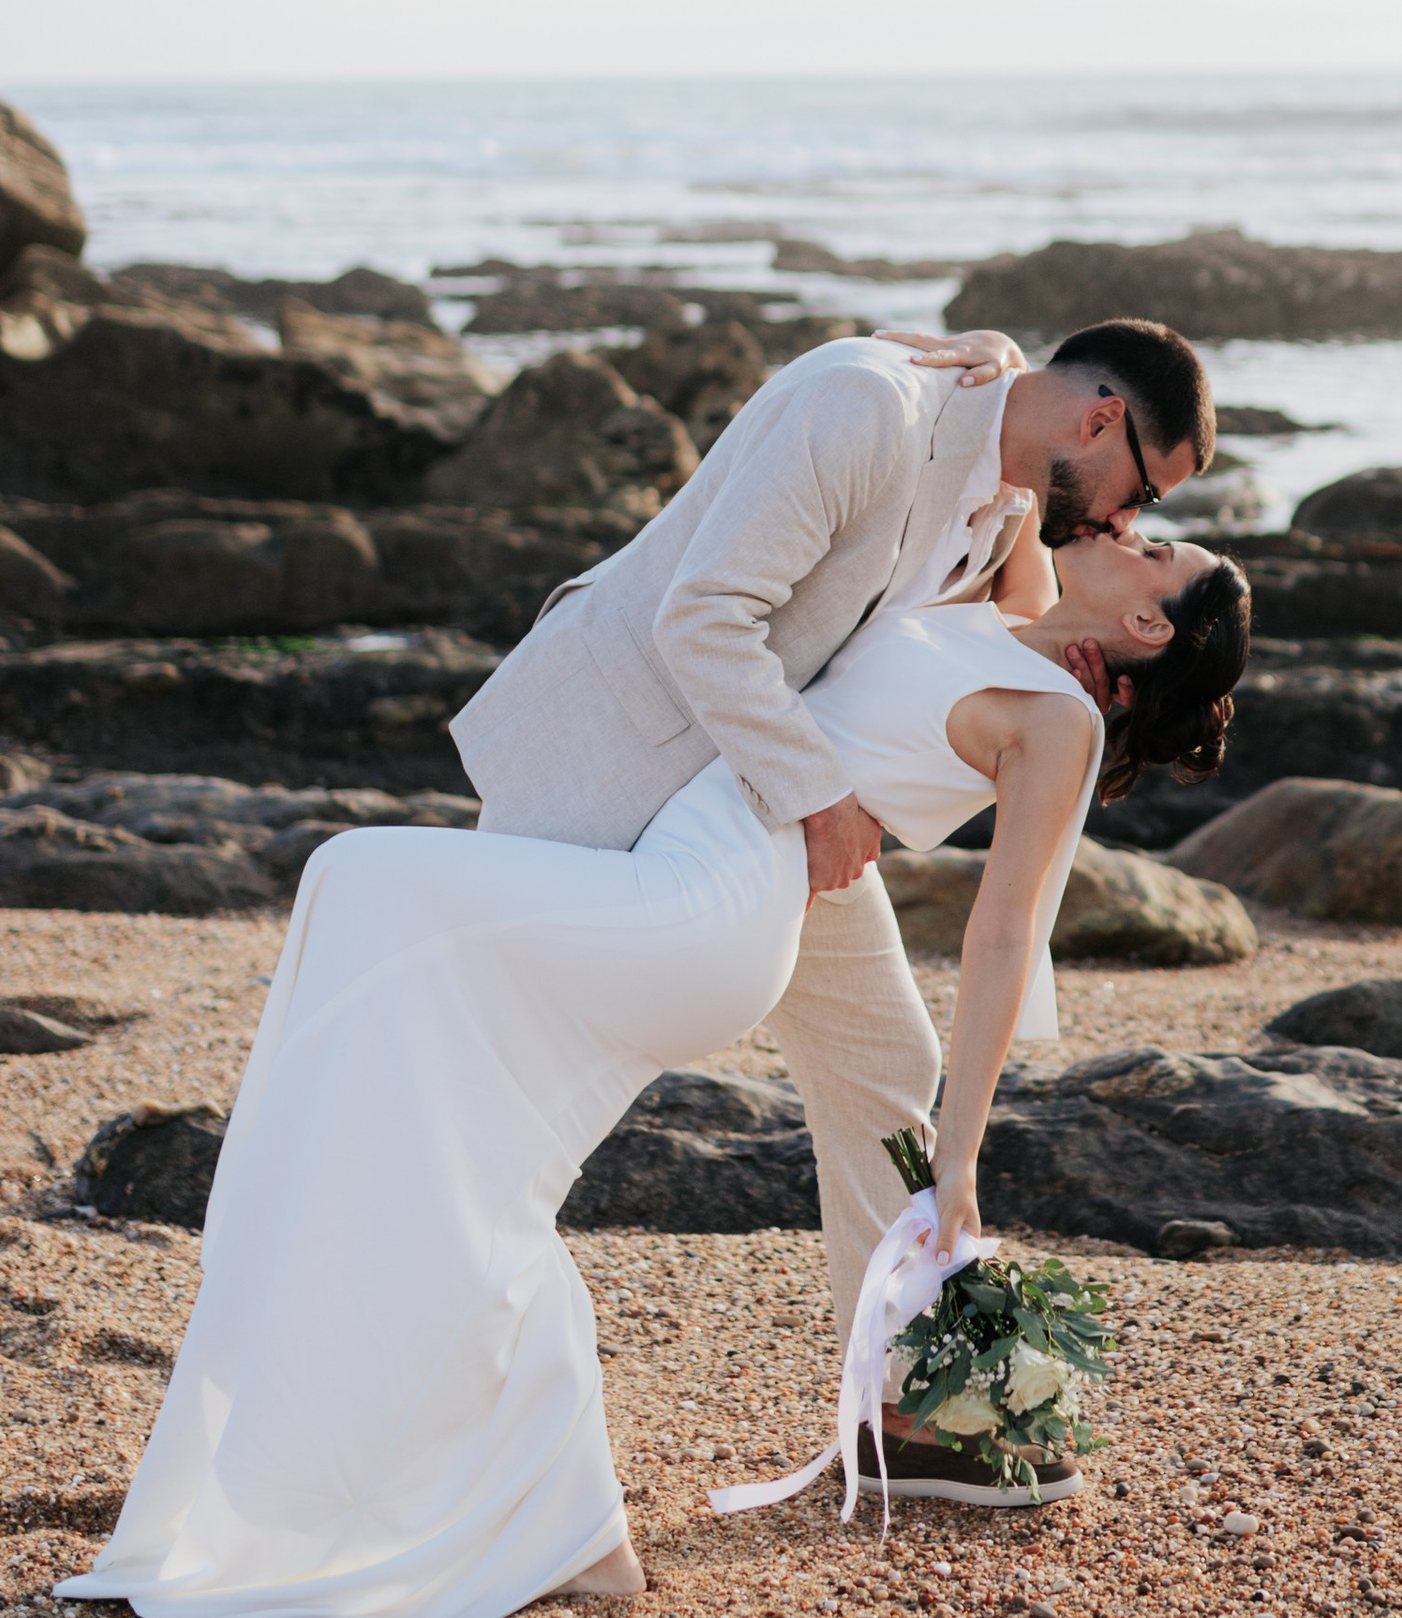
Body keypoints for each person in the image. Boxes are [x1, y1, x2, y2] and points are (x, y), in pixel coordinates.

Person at [56, 515, 1250, 1618]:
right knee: (848, 1067)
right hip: (728, 838)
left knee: (359, 878)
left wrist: (962, 1157)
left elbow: (1002, 941)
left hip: (719, 888)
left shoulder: (1060, 726)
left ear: (1148, 629)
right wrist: (974, 354)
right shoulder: (1021, 604)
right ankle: (898, 1408)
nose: (1129, 532)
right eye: (1147, 517)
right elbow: (1020, 467)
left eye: (1158, 551)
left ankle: (631, 1472)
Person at [445, 316, 1216, 1351]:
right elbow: (705, 617)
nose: (1130, 519)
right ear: (1103, 418)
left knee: (884, 1062)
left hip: (763, 795)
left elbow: (1020, 623)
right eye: (1146, 492)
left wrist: (1009, 378)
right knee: (522, 1086)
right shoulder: (867, 404)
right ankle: (429, 1327)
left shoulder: (1007, 507)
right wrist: (825, 801)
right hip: (631, 754)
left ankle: (895, 1388)